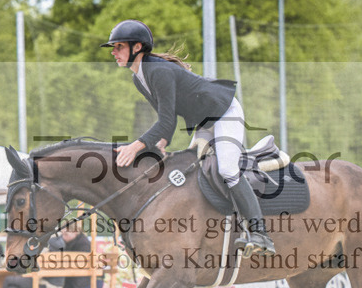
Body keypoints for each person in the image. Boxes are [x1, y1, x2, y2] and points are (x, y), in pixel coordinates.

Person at [102, 19, 275, 256]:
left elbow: (166, 123)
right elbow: (166, 119)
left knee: (226, 169)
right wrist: (159, 145)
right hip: (205, 120)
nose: (113, 52)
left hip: (225, 112)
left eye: (119, 46)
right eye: (113, 47)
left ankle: (260, 233)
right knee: (192, 168)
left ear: (137, 47)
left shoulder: (158, 71)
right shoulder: (139, 77)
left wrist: (136, 145)